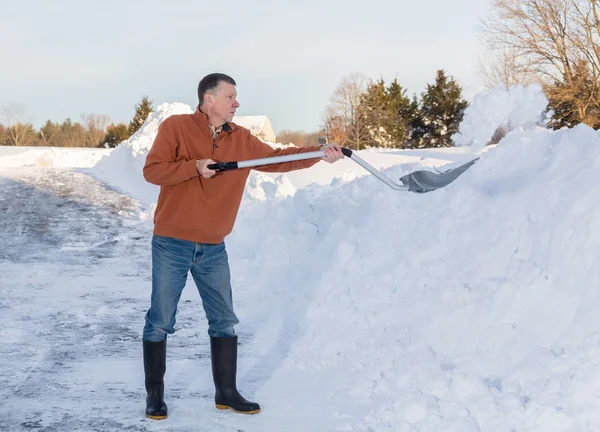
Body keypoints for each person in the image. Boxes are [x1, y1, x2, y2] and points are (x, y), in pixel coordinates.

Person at [141, 73, 344, 420]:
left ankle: (227, 393)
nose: (236, 103)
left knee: (224, 320)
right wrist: (193, 167)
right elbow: (153, 171)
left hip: (213, 247)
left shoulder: (241, 138)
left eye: (236, 97)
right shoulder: (177, 127)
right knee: (160, 321)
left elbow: (275, 159)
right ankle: (155, 396)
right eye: (230, 96)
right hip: (171, 242)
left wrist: (317, 154)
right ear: (209, 99)